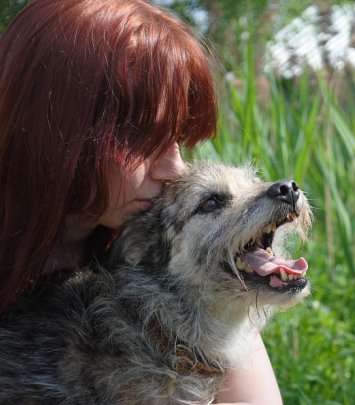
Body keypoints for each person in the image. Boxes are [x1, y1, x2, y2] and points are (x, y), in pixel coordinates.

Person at [0, 0, 283, 404]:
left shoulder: (167, 260)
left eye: (178, 141)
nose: (175, 169)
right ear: (60, 129)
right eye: (144, 140)